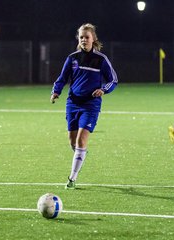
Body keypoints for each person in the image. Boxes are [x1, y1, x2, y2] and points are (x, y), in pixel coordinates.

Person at [50, 23, 118, 189]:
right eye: (81, 37)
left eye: (87, 37)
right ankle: (81, 154)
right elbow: (62, 77)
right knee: (72, 141)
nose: (84, 40)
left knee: (81, 139)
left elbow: (113, 80)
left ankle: (72, 179)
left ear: (93, 38)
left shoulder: (101, 59)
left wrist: (103, 90)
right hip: (72, 103)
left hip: (91, 105)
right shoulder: (72, 58)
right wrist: (56, 91)